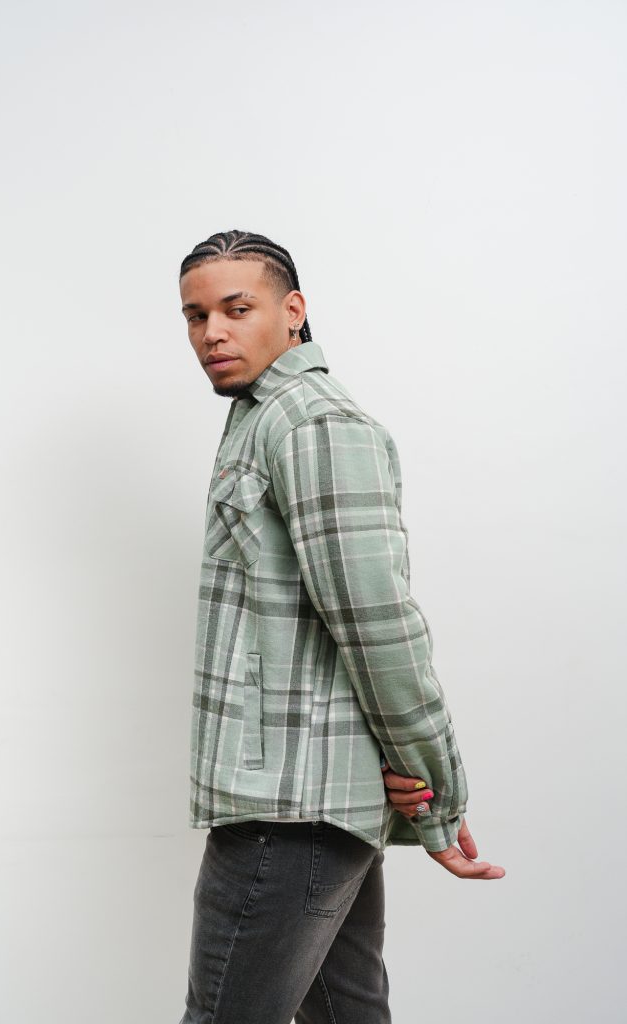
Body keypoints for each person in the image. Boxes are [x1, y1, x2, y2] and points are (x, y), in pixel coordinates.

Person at [178, 229, 505, 1024]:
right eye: (195, 315)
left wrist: (432, 793)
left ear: (293, 311)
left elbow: (376, 624)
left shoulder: (312, 425)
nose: (212, 332)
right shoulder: (264, 416)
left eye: (236, 309)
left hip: (286, 808)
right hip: (307, 796)